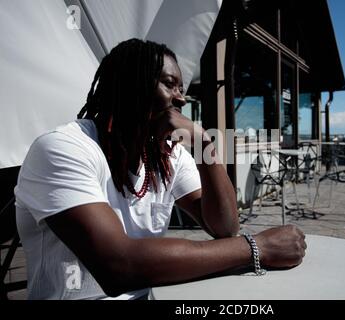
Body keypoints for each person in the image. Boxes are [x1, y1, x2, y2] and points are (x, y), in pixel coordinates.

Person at [14, 38, 306, 300]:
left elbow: (225, 227)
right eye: (169, 84)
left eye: (182, 88)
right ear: (130, 85)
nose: (181, 98)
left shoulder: (167, 155)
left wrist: (205, 145)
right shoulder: (63, 148)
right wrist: (257, 248)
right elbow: (118, 266)